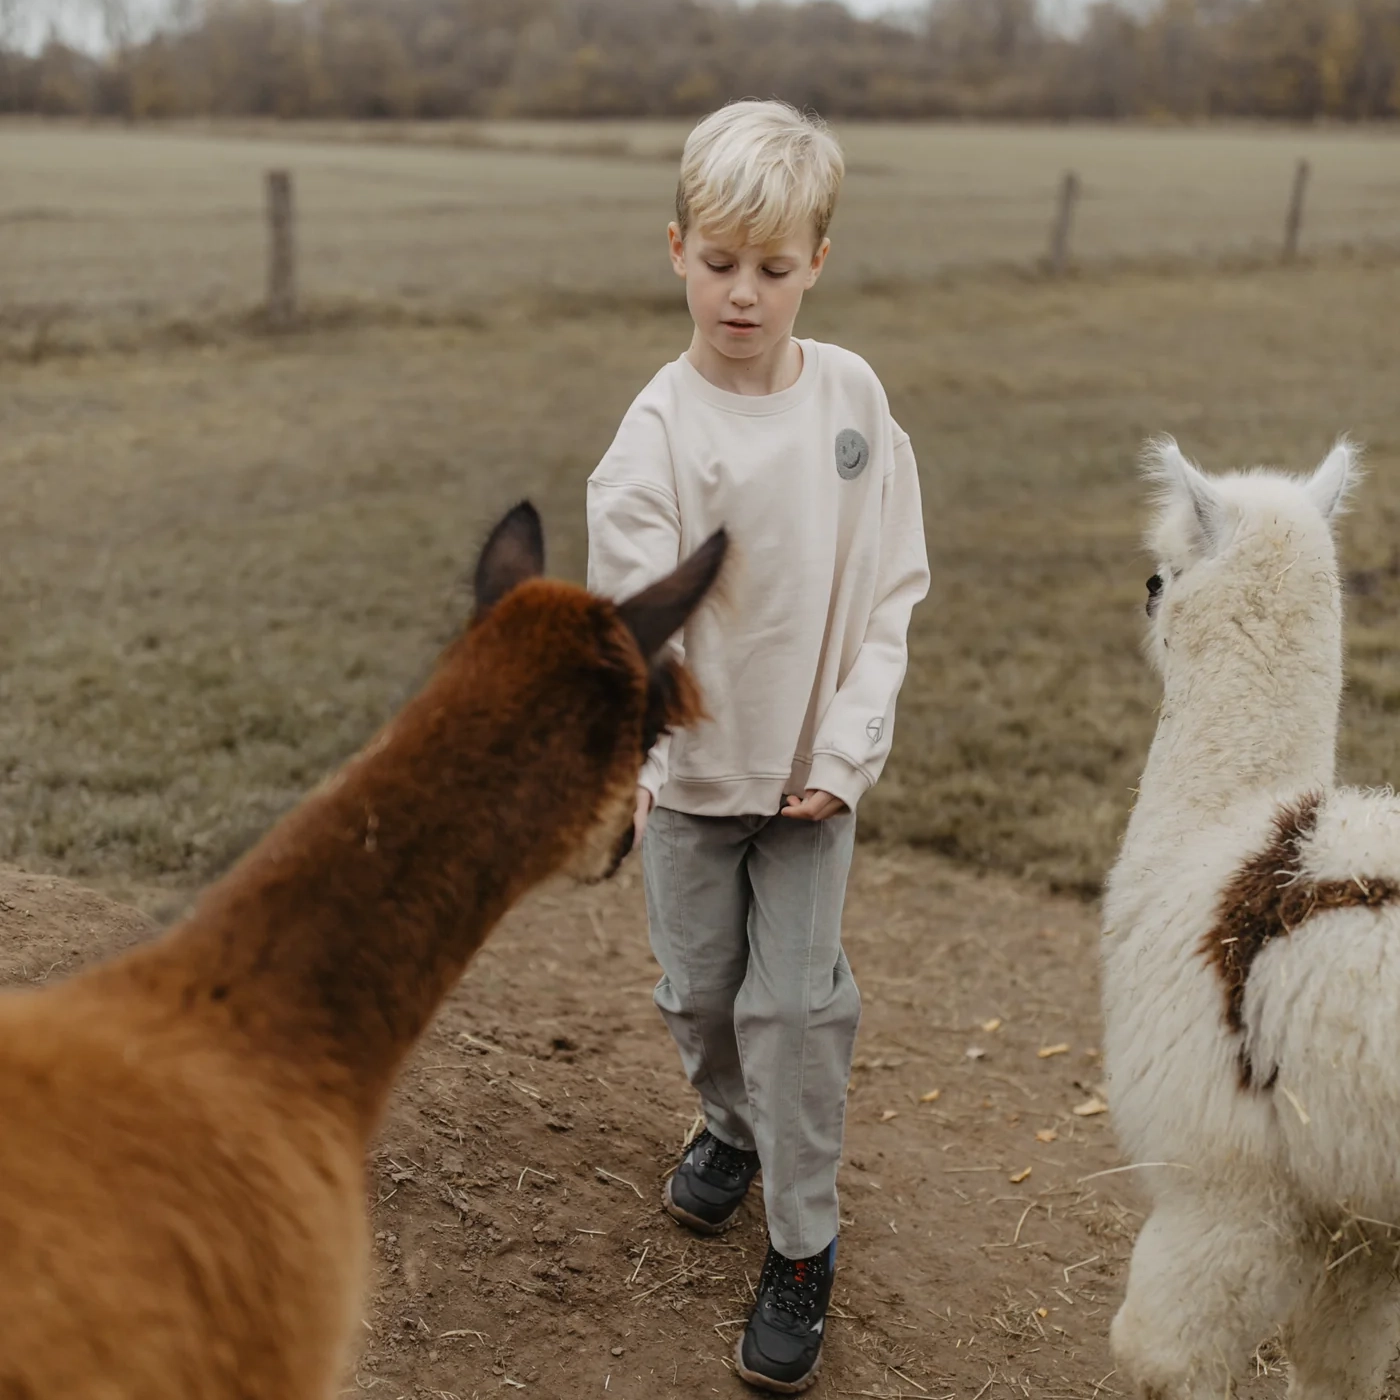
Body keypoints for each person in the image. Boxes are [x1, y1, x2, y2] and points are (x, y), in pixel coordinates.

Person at [586, 98, 930, 1394]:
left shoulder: (853, 399)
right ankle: (728, 1128)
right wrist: (640, 767)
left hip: (809, 787)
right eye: (721, 262)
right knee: (700, 995)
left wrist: (846, 750)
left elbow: (891, 588)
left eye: (774, 269)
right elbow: (636, 630)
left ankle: (801, 1242)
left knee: (794, 1007)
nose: (744, 293)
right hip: (691, 788)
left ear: (816, 265)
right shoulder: (654, 441)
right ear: (676, 248)